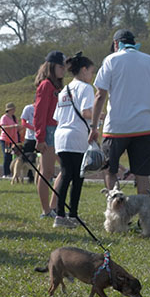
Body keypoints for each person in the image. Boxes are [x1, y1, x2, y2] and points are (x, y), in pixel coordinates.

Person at [88, 29, 150, 197]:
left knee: (110, 170)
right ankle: (144, 217)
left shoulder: (111, 60)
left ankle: (115, 214)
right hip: (145, 126)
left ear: (116, 44)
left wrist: (94, 127)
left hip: (117, 127)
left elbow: (100, 95)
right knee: (142, 174)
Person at [52, 52, 96, 227]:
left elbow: (57, 116)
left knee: (65, 175)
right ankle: (72, 214)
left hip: (61, 136)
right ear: (84, 70)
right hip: (77, 135)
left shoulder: (64, 90)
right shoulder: (86, 88)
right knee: (77, 177)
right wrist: (101, 115)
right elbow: (86, 112)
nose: (91, 76)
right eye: (91, 72)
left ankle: (60, 215)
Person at [31, 51, 65, 218]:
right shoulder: (46, 85)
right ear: (52, 66)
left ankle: (51, 206)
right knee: (47, 171)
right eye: (60, 66)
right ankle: (46, 210)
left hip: (56, 130)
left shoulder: (55, 86)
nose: (63, 69)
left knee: (62, 169)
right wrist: (40, 137)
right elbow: (39, 112)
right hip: (49, 132)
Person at [0, 102, 20, 178]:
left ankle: (11, 172)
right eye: (13, 109)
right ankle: (6, 173)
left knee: (11, 156)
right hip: (6, 139)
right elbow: (3, 127)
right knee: (7, 156)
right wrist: (13, 126)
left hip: (13, 140)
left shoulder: (14, 117)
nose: (14, 110)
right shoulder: (4, 117)